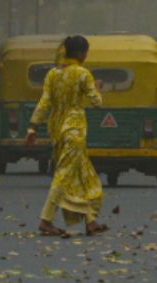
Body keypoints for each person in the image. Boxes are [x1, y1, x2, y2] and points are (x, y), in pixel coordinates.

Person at [26, 35, 108, 237]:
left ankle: (90, 221)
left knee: (81, 176)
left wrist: (32, 127)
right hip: (75, 131)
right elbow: (97, 102)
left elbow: (44, 102)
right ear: (81, 53)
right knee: (63, 175)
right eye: (86, 52)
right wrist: (98, 89)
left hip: (57, 131)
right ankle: (46, 220)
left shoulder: (53, 74)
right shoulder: (83, 74)